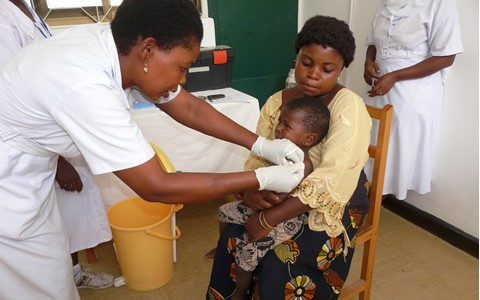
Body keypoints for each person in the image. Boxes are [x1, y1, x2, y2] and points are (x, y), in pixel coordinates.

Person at [0, 0, 306, 299]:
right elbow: (157, 186)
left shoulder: (116, 49)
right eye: (182, 67)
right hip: (9, 186)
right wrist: (262, 178)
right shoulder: (86, 83)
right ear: (148, 49)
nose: (183, 79)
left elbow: (190, 107)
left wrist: (260, 143)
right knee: (40, 285)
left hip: (28, 170)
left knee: (50, 270)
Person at [208, 15, 372, 299]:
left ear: (341, 69)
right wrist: (252, 193)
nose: (312, 74)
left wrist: (269, 217)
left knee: (279, 263)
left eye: (327, 69)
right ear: (297, 58)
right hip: (280, 188)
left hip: (334, 198)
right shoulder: (277, 102)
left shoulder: (349, 106)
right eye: (306, 63)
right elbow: (257, 158)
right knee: (233, 235)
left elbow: (332, 178)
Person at [0, 0, 114, 290]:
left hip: (42, 143)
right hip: (23, 149)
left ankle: (72, 273)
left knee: (62, 224)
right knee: (41, 249)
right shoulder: (3, 15)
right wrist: (62, 161)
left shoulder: (25, 6)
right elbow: (13, 91)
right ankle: (65, 277)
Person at [216, 97, 330, 299]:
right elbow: (260, 177)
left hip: (283, 219)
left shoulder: (303, 165)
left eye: (287, 125)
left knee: (245, 256)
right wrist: (247, 190)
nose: (278, 129)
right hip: (262, 206)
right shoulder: (279, 153)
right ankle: (224, 247)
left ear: (308, 139)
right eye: (279, 122)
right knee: (224, 211)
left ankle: (240, 293)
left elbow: (278, 199)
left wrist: (255, 192)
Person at [363, 0, 463, 200]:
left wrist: (395, 76)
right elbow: (374, 42)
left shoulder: (441, 3)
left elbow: (446, 57)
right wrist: (368, 61)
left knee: (396, 148)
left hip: (413, 92)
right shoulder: (386, 2)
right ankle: (364, 201)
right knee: (371, 141)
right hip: (380, 85)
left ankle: (372, 206)